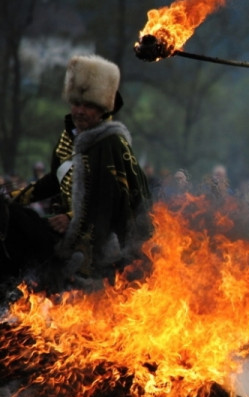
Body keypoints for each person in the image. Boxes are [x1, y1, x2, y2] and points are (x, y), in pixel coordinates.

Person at [2, 54, 152, 290]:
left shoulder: (111, 144)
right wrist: (15, 197)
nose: (80, 111)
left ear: (103, 109)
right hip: (63, 228)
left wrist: (71, 218)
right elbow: (54, 179)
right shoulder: (69, 139)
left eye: (88, 105)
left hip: (102, 241)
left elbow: (107, 202)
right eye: (76, 104)